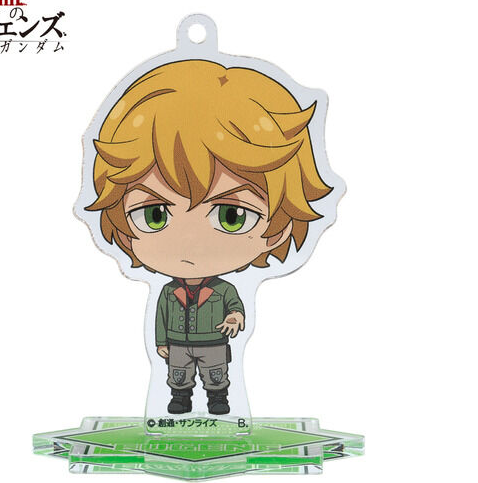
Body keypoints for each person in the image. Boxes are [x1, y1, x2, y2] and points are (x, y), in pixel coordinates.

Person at [86, 60, 331, 414]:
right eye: (155, 215)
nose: (189, 242)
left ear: (276, 229)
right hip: (178, 344)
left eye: (232, 216)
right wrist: (161, 343)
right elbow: (160, 319)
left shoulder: (225, 290)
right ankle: (179, 398)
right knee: (179, 376)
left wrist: (235, 319)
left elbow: (236, 308)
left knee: (216, 375)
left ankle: (218, 399)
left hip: (214, 342)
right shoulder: (168, 292)